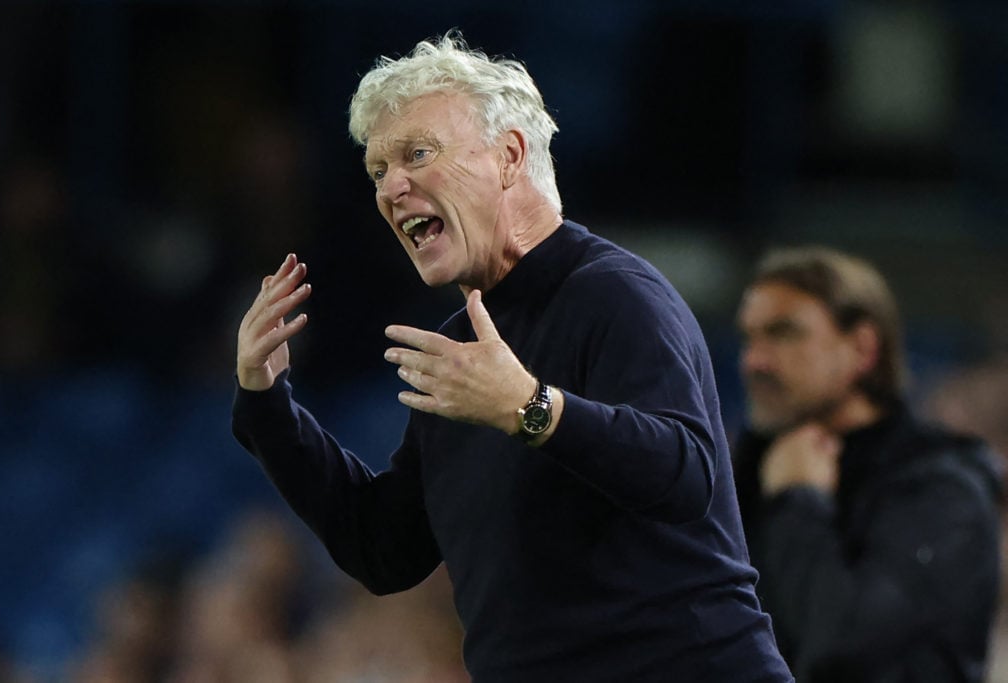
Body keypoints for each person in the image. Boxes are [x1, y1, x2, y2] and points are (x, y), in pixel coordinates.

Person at [232, 31, 792, 682]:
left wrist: (531, 408)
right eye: (379, 170)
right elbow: (385, 549)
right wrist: (270, 405)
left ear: (509, 156)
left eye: (418, 154)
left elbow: (687, 472)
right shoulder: (467, 347)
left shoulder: (617, 296)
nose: (392, 187)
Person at [731, 246, 1003, 682]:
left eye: (784, 333)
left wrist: (798, 498)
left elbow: (842, 650)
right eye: (750, 337)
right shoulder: (744, 471)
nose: (753, 361)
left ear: (862, 348)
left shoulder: (942, 489)